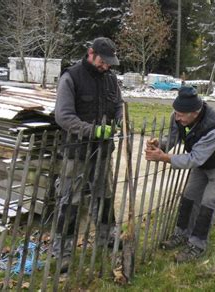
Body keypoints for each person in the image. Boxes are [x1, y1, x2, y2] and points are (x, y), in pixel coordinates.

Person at [145, 86, 215, 263]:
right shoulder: (180, 116)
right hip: (202, 160)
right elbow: (174, 137)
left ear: (195, 112)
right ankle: (181, 234)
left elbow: (195, 159)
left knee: (208, 203)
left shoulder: (214, 128)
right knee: (189, 196)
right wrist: (161, 145)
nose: (177, 117)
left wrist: (163, 157)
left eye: (181, 114)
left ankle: (197, 244)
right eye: (176, 112)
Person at [53, 37, 123, 272]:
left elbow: (118, 105)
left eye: (110, 63)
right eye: (103, 61)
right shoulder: (71, 77)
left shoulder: (111, 80)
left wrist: (120, 120)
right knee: (70, 201)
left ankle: (107, 237)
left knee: (104, 196)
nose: (106, 66)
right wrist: (92, 130)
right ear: (90, 53)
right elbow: (63, 116)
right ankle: (63, 249)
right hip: (77, 152)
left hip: (103, 151)